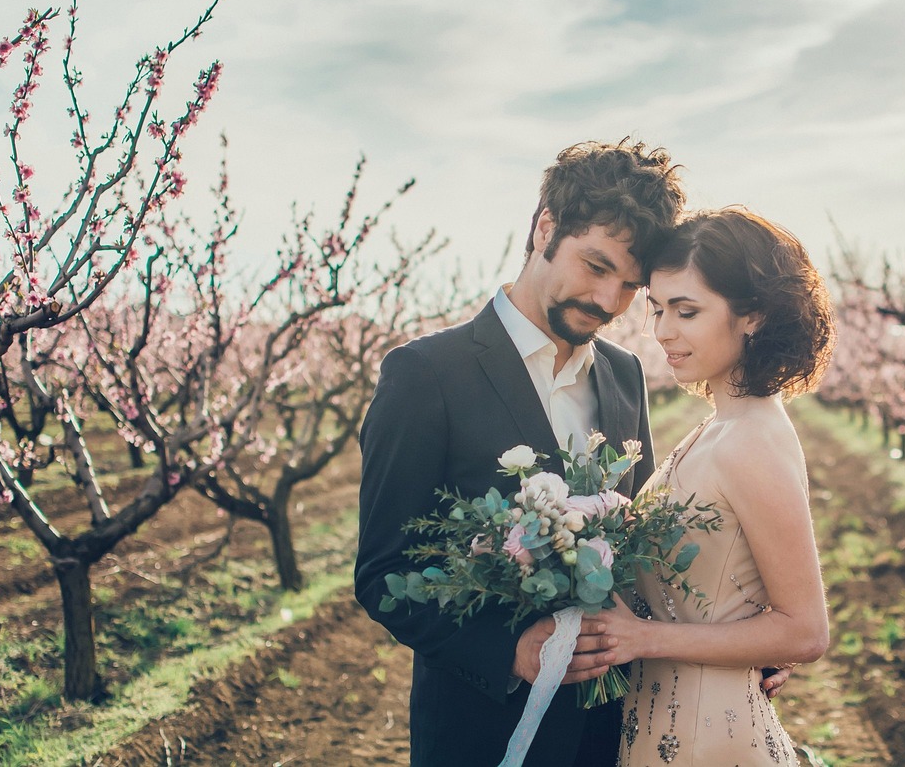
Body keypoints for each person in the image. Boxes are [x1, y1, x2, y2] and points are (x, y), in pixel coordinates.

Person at [354, 139, 686, 767]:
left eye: (629, 285)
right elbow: (381, 574)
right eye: (595, 266)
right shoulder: (425, 374)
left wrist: (729, 639)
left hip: (609, 731)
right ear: (545, 228)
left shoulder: (624, 374)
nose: (608, 303)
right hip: (483, 733)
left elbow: (637, 544)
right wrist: (509, 652)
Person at [591, 207, 836, 766]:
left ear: (753, 315)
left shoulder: (750, 440)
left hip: (710, 741)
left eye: (687, 311)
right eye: (658, 309)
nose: (663, 332)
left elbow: (805, 631)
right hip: (666, 725)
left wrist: (642, 638)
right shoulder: (719, 427)